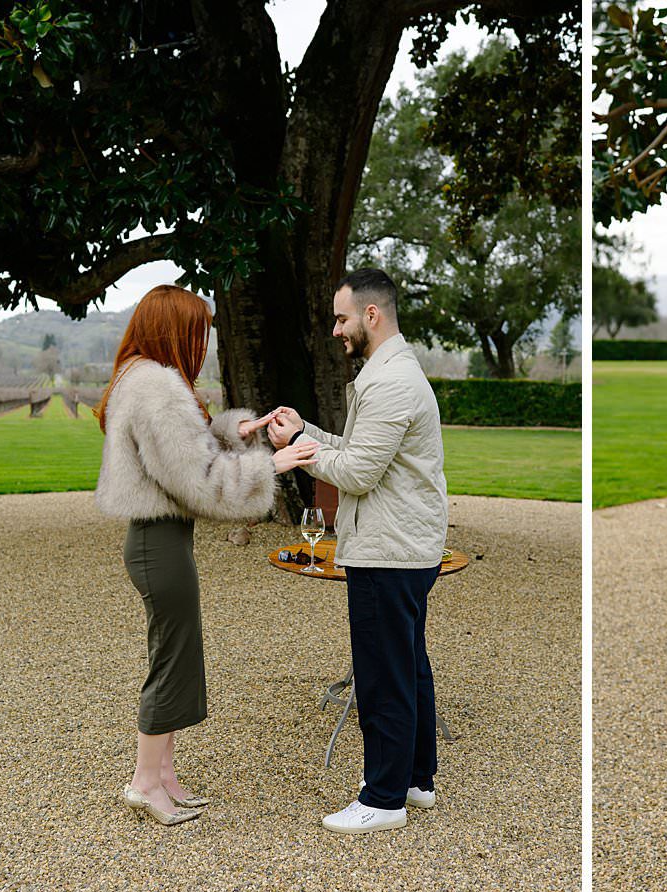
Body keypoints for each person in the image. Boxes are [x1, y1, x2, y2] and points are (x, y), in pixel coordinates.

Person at [92, 284, 320, 826]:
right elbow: (198, 480)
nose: (203, 345)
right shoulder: (158, 387)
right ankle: (145, 782)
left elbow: (183, 450)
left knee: (178, 653)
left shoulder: (138, 375)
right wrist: (275, 464)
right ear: (176, 331)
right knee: (171, 660)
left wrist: (234, 430)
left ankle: (165, 774)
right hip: (158, 543)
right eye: (199, 333)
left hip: (159, 541)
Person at [264, 268, 448, 835]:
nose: (336, 330)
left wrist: (296, 448)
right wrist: (308, 430)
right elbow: (359, 449)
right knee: (408, 665)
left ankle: (383, 798)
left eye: (342, 319)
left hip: (389, 549)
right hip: (405, 545)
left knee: (382, 674)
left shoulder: (389, 381)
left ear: (372, 315)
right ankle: (416, 780)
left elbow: (360, 472)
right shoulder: (389, 372)